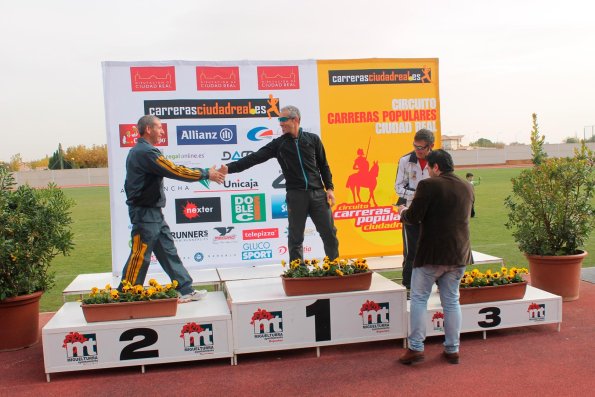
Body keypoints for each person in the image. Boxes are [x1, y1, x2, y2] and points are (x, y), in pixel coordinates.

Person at [120, 115, 226, 302]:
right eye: (159, 128)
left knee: (168, 250)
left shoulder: (145, 150)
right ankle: (125, 295)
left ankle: (184, 289)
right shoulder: (146, 152)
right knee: (140, 254)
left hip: (153, 212)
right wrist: (205, 173)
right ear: (148, 130)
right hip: (145, 212)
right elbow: (175, 170)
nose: (162, 132)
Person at [218, 105, 339, 263]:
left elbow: (324, 165)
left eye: (283, 120)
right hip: (296, 196)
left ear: (295, 120)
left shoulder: (313, 139)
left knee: (329, 233)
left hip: (318, 193)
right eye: (279, 120)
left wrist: (329, 188)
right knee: (296, 238)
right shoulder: (279, 144)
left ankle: (334, 267)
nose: (280, 124)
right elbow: (254, 158)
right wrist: (229, 168)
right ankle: (298, 271)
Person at [397, 149, 474, 365]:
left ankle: (416, 348)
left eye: (429, 167)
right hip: (459, 253)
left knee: (420, 298)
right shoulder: (467, 186)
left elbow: (413, 217)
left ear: (436, 167)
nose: (428, 171)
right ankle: (452, 348)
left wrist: (402, 211)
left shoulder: (428, 185)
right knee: (451, 301)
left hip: (431, 254)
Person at [394, 129, 435, 290]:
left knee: (436, 248)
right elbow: (398, 187)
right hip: (411, 210)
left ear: (430, 146)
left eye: (421, 147)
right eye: (415, 146)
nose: (418, 150)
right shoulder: (405, 160)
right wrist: (418, 195)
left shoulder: (438, 160)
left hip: (433, 212)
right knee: (411, 251)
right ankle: (408, 286)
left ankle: (439, 284)